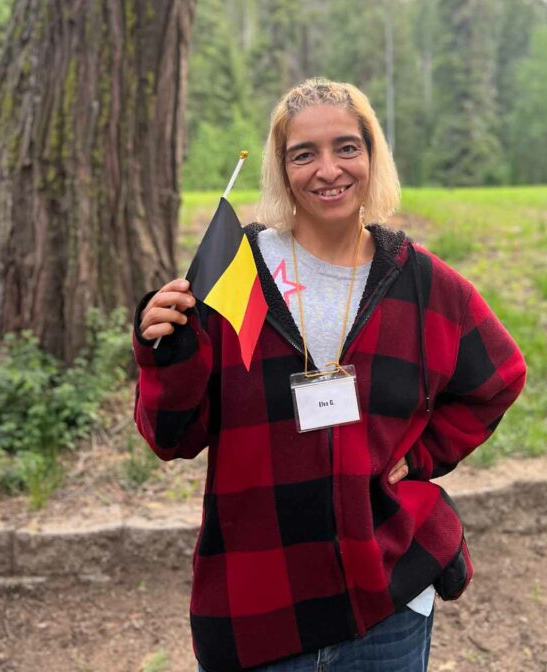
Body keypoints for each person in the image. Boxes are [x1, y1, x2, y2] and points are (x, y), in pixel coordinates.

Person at [133, 77, 526, 672]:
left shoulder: (421, 283)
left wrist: (422, 456)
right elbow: (172, 437)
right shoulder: (233, 274)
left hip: (385, 605)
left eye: (346, 147)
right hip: (258, 604)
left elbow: (500, 378)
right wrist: (161, 350)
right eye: (304, 154)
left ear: (371, 156)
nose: (328, 170)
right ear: (281, 169)